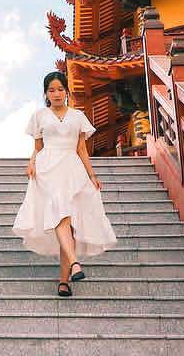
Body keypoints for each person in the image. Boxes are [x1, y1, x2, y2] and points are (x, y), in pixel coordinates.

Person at [10, 71, 118, 297]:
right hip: (47, 168)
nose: (56, 94)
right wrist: (31, 163)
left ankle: (64, 281)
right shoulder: (39, 115)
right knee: (61, 214)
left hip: (71, 168)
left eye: (60, 89)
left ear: (67, 91)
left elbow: (81, 149)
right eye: (51, 90)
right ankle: (76, 263)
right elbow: (38, 148)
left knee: (67, 225)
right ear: (46, 94)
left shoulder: (78, 116)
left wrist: (92, 175)